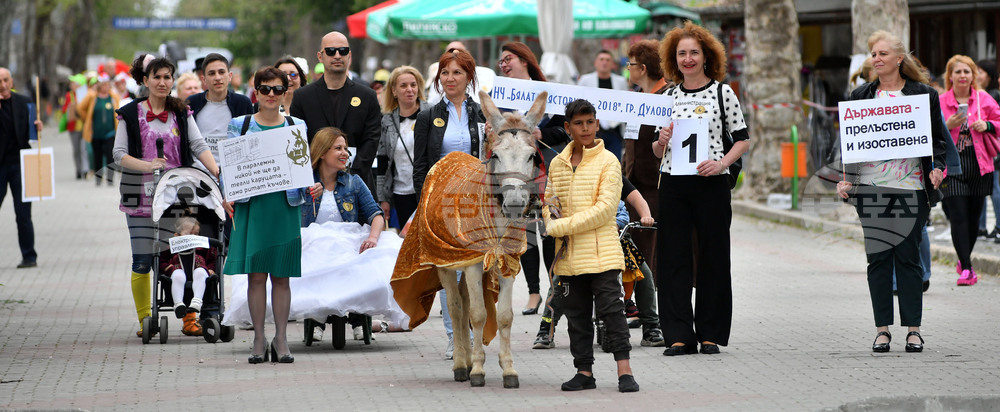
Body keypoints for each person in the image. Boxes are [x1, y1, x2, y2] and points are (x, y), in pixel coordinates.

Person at [836, 30, 947, 353]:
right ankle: (882, 330)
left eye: (883, 53)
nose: (877, 58)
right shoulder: (860, 96)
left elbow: (938, 142)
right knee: (878, 260)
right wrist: (847, 179)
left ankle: (914, 330)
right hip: (870, 189)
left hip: (911, 188)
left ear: (900, 59)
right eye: (873, 54)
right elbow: (850, 146)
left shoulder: (923, 95)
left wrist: (937, 168)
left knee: (908, 258)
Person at [653, 22, 749, 356]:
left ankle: (711, 333)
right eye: (682, 53)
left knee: (713, 257)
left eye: (694, 52)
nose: (688, 59)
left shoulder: (723, 93)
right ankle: (679, 334)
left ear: (706, 56)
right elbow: (655, 149)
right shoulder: (666, 95)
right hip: (674, 185)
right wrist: (661, 141)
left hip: (711, 184)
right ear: (673, 58)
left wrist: (721, 164)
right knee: (673, 258)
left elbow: (743, 139)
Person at [113, 54, 220, 338]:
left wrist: (217, 171)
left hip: (177, 198)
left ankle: (189, 317)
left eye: (167, 77)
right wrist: (148, 166)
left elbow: (198, 144)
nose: (162, 82)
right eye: (156, 77)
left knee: (186, 256)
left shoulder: (181, 112)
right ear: (145, 80)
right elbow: (118, 154)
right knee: (143, 262)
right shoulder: (129, 113)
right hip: (140, 198)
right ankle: (145, 320)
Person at [543, 99, 637, 393]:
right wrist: (549, 214)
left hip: (602, 254)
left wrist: (559, 226)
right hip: (569, 257)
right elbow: (549, 200)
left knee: (612, 313)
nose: (585, 128)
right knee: (576, 317)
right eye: (579, 124)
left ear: (597, 124)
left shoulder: (609, 160)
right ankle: (584, 372)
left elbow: (606, 209)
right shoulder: (557, 163)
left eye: (590, 122)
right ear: (568, 128)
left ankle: (625, 372)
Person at [222, 67, 304, 364]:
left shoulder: (297, 125)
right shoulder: (239, 125)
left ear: (285, 93)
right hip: (252, 206)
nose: (271, 95)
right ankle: (258, 337)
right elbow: (227, 168)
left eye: (277, 89)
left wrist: (312, 187)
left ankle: (281, 338)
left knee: (282, 277)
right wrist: (226, 194)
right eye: (265, 89)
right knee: (255, 277)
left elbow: (301, 167)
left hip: (284, 207)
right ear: (255, 92)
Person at [412, 48, 486, 359]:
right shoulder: (428, 115)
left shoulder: (482, 113)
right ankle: (454, 335)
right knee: (448, 271)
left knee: (474, 270)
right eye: (445, 73)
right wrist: (422, 206)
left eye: (456, 72)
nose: (450, 78)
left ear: (469, 76)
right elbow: (420, 166)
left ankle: (475, 330)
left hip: (475, 200)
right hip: (440, 201)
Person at [297, 127, 399, 342]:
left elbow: (376, 215)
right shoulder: (303, 182)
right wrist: (302, 196)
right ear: (323, 152)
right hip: (311, 243)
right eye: (338, 148)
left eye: (346, 148)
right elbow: (287, 215)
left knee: (366, 259)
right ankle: (317, 318)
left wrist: (372, 237)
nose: (345, 153)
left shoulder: (354, 182)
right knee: (320, 254)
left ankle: (357, 317)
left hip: (347, 240)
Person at [496, 41, 569, 321]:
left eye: (509, 58)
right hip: (515, 176)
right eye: (501, 61)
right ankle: (533, 292)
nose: (504, 64)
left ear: (525, 60)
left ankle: (554, 288)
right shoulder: (499, 96)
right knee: (524, 232)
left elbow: (565, 130)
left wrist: (542, 135)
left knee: (548, 229)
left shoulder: (549, 93)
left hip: (547, 172)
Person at [621, 39, 670, 347]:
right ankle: (645, 310)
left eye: (630, 64)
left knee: (653, 253)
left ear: (643, 67)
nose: (627, 69)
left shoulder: (668, 97)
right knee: (638, 251)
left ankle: (659, 316)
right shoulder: (636, 97)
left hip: (658, 186)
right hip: (634, 184)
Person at [290, 31, 381, 196]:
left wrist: (352, 177)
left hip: (358, 184)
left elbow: (371, 140)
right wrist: (317, 176)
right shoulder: (302, 97)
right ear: (320, 56)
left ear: (349, 55)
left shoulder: (367, 96)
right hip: (315, 185)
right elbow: (299, 143)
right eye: (331, 51)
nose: (337, 55)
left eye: (343, 51)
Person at [939, 54, 1000, 286]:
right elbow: (929, 133)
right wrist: (948, 125)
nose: (962, 76)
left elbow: (999, 122)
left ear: (973, 75)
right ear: (951, 76)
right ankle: (966, 268)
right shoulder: (941, 100)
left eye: (967, 71)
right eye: (958, 72)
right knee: (958, 215)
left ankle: (964, 259)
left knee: (974, 217)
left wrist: (988, 125)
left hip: (980, 165)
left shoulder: (983, 99)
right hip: (952, 166)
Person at [376, 65, 430, 230]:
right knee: (407, 241)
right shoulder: (387, 121)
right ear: (394, 91)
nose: (410, 90)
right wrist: (383, 198)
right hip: (401, 193)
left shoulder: (432, 113)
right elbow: (383, 161)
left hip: (429, 191)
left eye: (413, 85)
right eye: (403, 86)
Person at [0, 66, 43, 268]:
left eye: (6, 80)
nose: (3, 85)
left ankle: (29, 256)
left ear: (11, 81)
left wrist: (37, 128)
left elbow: (32, 136)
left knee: (23, 213)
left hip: (20, 164)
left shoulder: (24, 102)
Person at [188, 53, 254, 167]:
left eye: (221, 72)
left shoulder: (243, 103)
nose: (217, 77)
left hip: (236, 172)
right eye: (211, 73)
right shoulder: (192, 103)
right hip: (199, 175)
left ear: (230, 76)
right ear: (203, 78)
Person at [159, 216, 216, 336]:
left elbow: (211, 258)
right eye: (189, 234)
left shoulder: (201, 246)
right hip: (178, 267)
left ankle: (197, 301)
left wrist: (211, 269)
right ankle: (178, 304)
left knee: (201, 272)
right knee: (177, 276)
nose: (192, 237)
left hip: (198, 267)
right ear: (177, 235)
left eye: (195, 234)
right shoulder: (171, 246)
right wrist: (166, 268)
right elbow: (162, 259)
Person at [576, 50, 629, 159]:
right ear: (595, 63)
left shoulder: (621, 81)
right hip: (592, 131)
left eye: (607, 60)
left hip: (614, 131)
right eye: (601, 60)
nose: (604, 63)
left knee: (614, 163)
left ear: (612, 64)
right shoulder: (585, 80)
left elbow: (625, 103)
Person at [77, 74, 121, 186]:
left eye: (107, 85)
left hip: (110, 132)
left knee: (110, 155)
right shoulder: (93, 97)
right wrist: (86, 119)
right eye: (103, 85)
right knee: (97, 156)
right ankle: (98, 178)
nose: (106, 87)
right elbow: (80, 108)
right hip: (96, 133)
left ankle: (110, 179)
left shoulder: (113, 97)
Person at [424, 41, 497, 105]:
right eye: (450, 53)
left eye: (457, 72)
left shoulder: (488, 74)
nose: (455, 56)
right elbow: (431, 105)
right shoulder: (440, 80)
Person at [975, 59, 1000, 242]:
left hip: (993, 151)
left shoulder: (992, 96)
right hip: (980, 151)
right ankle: (981, 227)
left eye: (980, 72)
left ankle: (998, 227)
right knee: (981, 190)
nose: (976, 75)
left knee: (995, 190)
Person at [62, 77, 88, 180]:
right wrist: (70, 107)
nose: (72, 85)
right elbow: (64, 109)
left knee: (84, 149)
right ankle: (78, 170)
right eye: (72, 83)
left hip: (84, 125)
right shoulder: (69, 95)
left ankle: (85, 170)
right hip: (73, 126)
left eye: (74, 83)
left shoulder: (85, 94)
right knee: (76, 150)